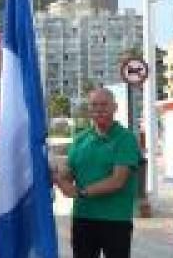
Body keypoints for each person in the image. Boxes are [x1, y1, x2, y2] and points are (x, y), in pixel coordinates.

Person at [54, 88, 140, 258]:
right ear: (89, 110)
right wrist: (57, 176)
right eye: (94, 105)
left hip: (115, 219)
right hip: (83, 217)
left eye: (104, 105)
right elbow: (70, 172)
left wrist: (81, 192)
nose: (99, 109)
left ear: (115, 107)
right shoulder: (80, 139)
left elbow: (117, 181)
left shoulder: (126, 138)